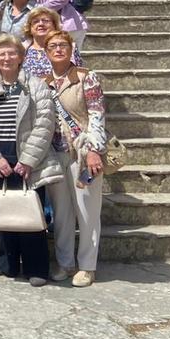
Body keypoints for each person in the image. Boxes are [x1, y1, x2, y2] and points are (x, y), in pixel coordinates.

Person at [0, 34, 62, 285]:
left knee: (30, 212)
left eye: (11, 53)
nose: (6, 58)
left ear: (20, 57)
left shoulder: (36, 86)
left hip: (30, 156)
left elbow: (45, 123)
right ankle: (7, 264)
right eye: (1, 54)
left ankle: (36, 268)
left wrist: (29, 159)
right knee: (3, 211)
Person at [43, 30, 107, 288]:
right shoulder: (44, 81)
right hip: (55, 153)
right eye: (53, 46)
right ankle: (65, 262)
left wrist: (94, 149)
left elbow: (97, 115)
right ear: (46, 52)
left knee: (87, 211)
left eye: (63, 45)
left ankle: (88, 266)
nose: (58, 49)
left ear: (71, 49)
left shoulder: (86, 78)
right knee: (62, 213)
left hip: (82, 154)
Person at [21, 6, 83, 78]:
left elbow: (79, 75)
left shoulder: (69, 47)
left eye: (45, 21)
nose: (41, 24)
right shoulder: (21, 49)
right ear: (30, 28)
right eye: (36, 21)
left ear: (54, 25)